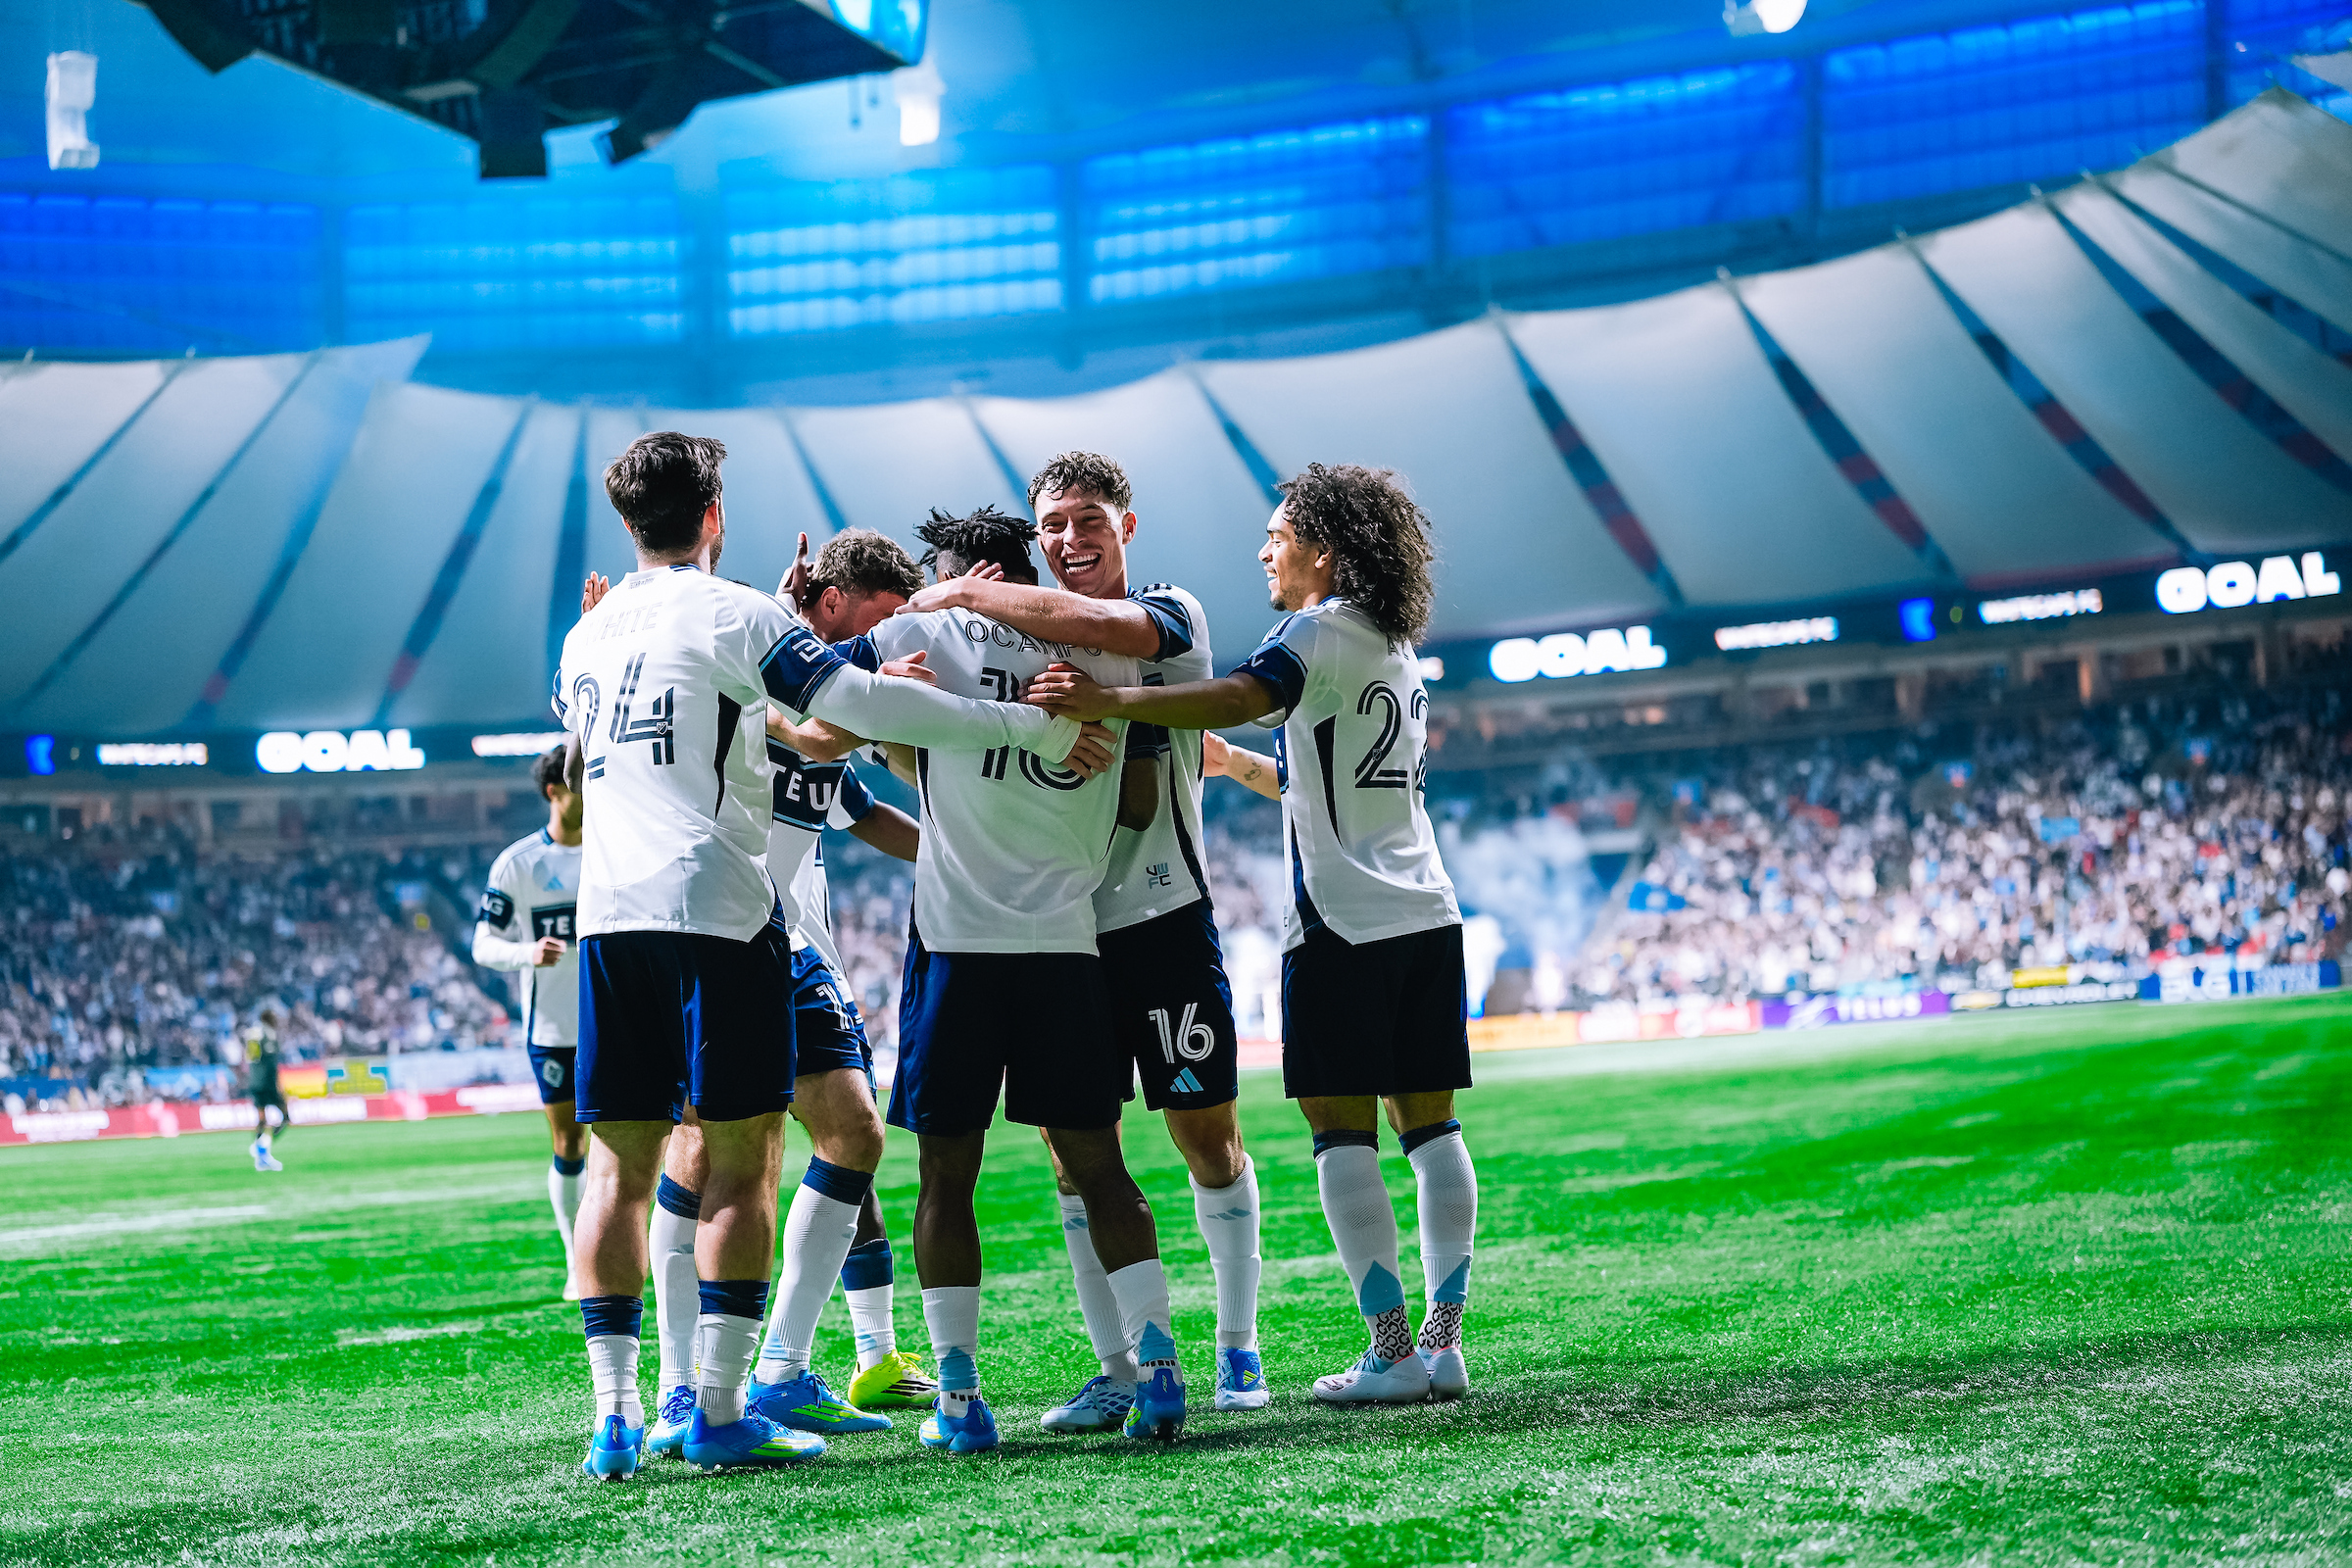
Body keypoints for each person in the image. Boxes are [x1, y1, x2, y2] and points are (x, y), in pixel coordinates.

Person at [557, 431, 1113, 1482]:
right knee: (739, 1160)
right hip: (718, 911)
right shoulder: (741, 612)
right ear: (713, 511)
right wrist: (1028, 730)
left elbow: (591, 761)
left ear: (631, 521)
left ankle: (618, 1420)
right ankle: (722, 1404)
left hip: (606, 922)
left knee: (617, 1170)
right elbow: (854, 709)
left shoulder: (586, 636)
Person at [1026, 462, 1479, 1406]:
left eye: (1279, 536)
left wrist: (1115, 701)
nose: (1264, 550)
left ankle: (1389, 1352)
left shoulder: (1310, 631)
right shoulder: (1389, 641)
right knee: (1432, 1130)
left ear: (1324, 549)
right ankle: (1441, 1341)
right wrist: (1234, 765)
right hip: (1426, 910)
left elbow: (1239, 693)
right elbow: (1321, 772)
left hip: (1342, 922)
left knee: (1342, 1136)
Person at [898, 452, 1268, 1428]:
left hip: (1161, 916)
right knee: (1076, 1154)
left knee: (1205, 1138)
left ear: (1126, 526)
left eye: (1087, 519)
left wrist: (965, 601)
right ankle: (1119, 1365)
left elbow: (1154, 746)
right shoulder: (1013, 653)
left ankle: (1237, 1346)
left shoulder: (1163, 614)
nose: (1070, 539)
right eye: (1052, 524)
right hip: (1069, 932)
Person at [844, 505, 1192, 1453]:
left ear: (955, 573)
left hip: (959, 943)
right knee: (1102, 1172)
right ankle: (1160, 1374)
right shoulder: (1109, 658)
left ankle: (959, 1399)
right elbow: (1135, 799)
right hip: (1067, 946)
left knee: (946, 1178)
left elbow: (806, 697)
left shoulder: (914, 634)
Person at [637, 530, 938, 1456]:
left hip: (789, 943)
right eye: (885, 618)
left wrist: (976, 864)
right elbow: (788, 717)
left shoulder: (816, 689)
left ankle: (782, 1372)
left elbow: (856, 804)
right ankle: (680, 1391)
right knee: (705, 1151)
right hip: (712, 933)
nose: (896, 639)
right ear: (836, 600)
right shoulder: (752, 657)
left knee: (852, 1130)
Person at [472, 746, 588, 1299]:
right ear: (555, 791)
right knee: (570, 1143)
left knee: (640, 1142)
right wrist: (526, 953)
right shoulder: (518, 865)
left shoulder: (618, 851)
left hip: (621, 1023)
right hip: (555, 1029)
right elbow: (482, 944)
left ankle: (629, 1256)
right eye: (582, 780)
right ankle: (576, 1260)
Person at [243, 1004, 289, 1172]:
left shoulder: (252, 1033)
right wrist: (279, 1087)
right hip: (267, 1082)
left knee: (262, 1120)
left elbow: (250, 1057)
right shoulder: (269, 1035)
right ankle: (261, 1148)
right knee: (285, 1116)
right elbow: (271, 1064)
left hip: (254, 1080)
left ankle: (261, 1154)